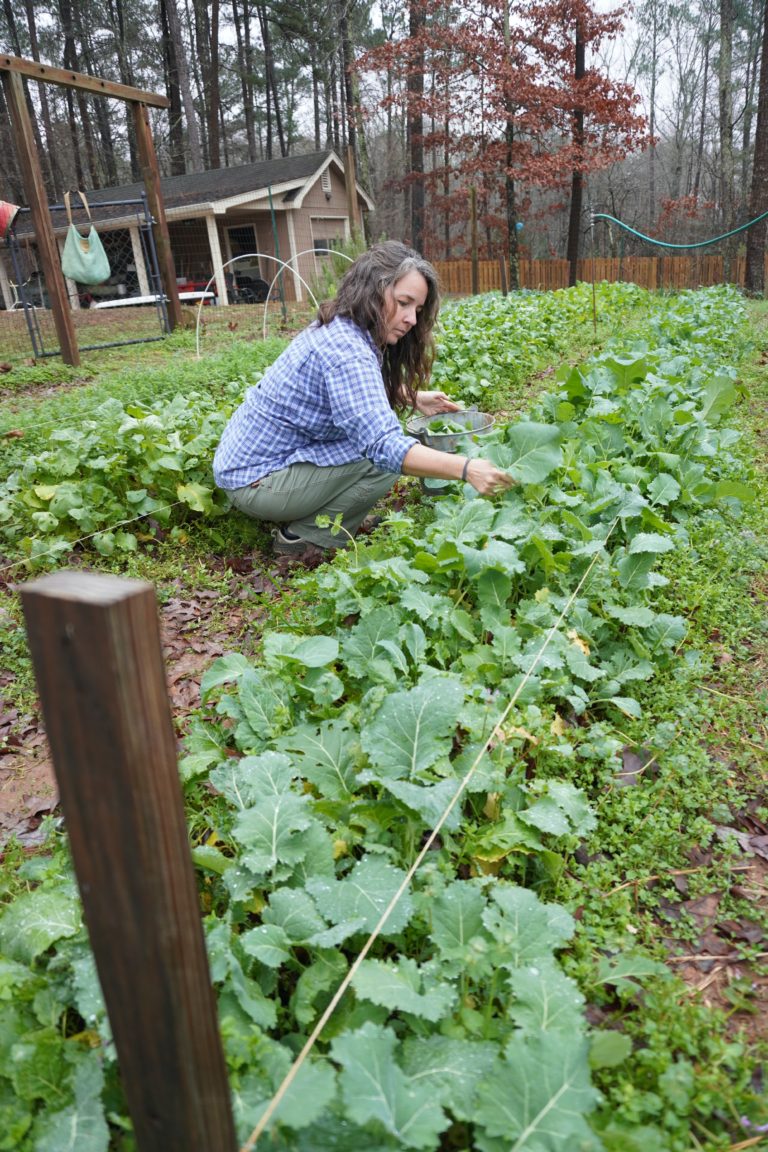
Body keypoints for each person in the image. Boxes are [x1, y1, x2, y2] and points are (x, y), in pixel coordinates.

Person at [213, 240, 514, 556]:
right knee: (381, 459)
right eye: (404, 302)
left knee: (371, 445)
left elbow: (344, 396)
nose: (412, 319)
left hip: (251, 465)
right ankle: (305, 537)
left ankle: (325, 514)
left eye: (418, 309)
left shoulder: (343, 327)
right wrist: (468, 469)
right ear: (373, 290)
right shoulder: (347, 351)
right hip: (255, 481)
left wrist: (411, 396)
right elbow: (383, 446)